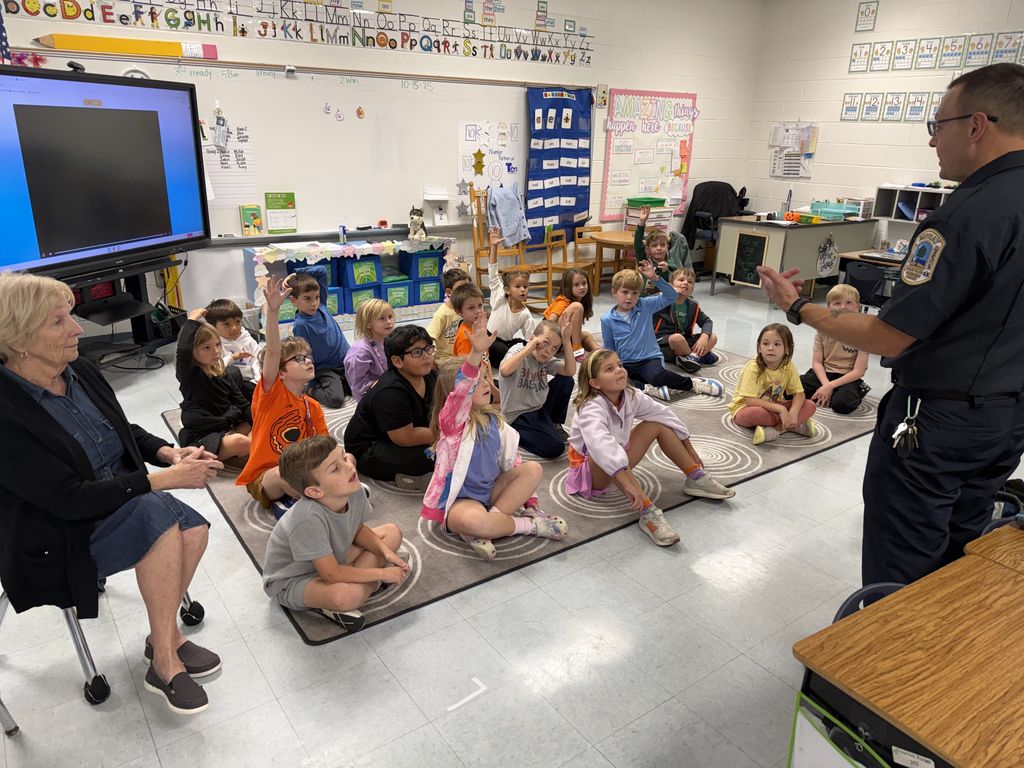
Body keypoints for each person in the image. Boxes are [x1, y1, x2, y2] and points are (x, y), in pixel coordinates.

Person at [755, 63, 1024, 586]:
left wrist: (798, 307)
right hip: (1007, 419)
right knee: (964, 542)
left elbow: (889, 334)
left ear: (976, 126)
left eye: (937, 126)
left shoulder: (963, 215)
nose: (932, 143)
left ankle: (888, 664)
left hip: (938, 420)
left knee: (903, 553)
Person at [0, 272, 224, 716]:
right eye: (59, 321)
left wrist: (168, 452)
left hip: (121, 501)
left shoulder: (78, 370)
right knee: (159, 521)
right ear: (18, 339)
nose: (78, 329)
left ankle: (165, 638)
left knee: (194, 528)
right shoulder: (6, 412)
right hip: (57, 534)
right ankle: (164, 659)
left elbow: (122, 430)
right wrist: (160, 481)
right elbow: (66, 499)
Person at [421, 316, 567, 561]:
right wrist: (476, 353)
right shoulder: (454, 424)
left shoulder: (496, 422)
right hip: (462, 501)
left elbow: (513, 462)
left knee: (533, 469)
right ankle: (523, 526)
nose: (487, 384)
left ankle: (491, 524)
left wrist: (530, 502)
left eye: (486, 379)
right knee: (474, 520)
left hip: (491, 493)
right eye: (478, 384)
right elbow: (462, 390)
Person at [566, 349, 735, 546]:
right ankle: (647, 513)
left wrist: (689, 449)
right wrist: (628, 484)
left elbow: (664, 414)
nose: (619, 370)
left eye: (620, 365)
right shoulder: (590, 407)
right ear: (595, 383)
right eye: (609, 369)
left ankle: (695, 477)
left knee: (657, 424)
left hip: (617, 461)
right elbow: (601, 447)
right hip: (589, 473)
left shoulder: (630, 395)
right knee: (605, 452)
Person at [262, 435, 408, 632]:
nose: (348, 467)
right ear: (314, 492)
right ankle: (366, 586)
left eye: (344, 458)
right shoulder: (306, 519)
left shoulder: (352, 488)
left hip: (332, 557)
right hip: (294, 579)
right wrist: (382, 572)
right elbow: (331, 574)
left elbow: (356, 529)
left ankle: (364, 580)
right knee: (345, 596)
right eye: (335, 468)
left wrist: (385, 552)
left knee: (392, 532)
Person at [236, 276, 328, 518]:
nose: (307, 361)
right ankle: (306, 502)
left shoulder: (313, 406)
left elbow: (324, 446)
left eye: (308, 357)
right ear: (281, 372)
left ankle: (304, 501)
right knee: (283, 475)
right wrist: (273, 312)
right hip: (267, 475)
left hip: (302, 470)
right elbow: (274, 351)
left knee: (344, 458)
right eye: (299, 359)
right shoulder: (271, 393)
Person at [601, 262, 723, 401]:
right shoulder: (607, 320)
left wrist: (654, 278)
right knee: (612, 380)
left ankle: (693, 384)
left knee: (657, 376)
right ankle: (649, 389)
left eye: (634, 293)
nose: (629, 297)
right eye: (625, 292)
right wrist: (612, 367)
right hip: (625, 362)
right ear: (614, 292)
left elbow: (671, 296)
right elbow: (609, 348)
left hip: (648, 359)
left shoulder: (645, 305)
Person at [343, 325, 437, 489]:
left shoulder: (430, 375)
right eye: (417, 352)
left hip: (400, 431)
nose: (427, 356)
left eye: (429, 349)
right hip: (369, 446)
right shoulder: (390, 392)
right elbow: (405, 438)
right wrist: (446, 435)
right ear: (397, 361)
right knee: (433, 456)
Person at [174, 308, 252, 462]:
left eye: (217, 345)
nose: (216, 351)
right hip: (205, 431)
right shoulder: (190, 375)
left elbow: (241, 401)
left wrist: (257, 419)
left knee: (258, 418)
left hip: (227, 424)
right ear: (193, 352)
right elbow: (183, 350)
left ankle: (243, 445)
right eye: (207, 348)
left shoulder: (222, 371)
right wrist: (191, 321)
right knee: (240, 442)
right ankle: (236, 447)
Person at [498, 318, 576, 459]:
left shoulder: (546, 360)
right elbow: (504, 370)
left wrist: (566, 340)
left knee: (566, 380)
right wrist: (530, 347)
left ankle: (554, 423)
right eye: (545, 343)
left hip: (538, 408)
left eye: (554, 348)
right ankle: (512, 433)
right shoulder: (518, 350)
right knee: (555, 448)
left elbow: (570, 370)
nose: (548, 351)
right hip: (517, 416)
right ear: (533, 339)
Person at [728, 324, 817, 445]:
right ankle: (792, 425)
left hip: (773, 409)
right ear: (759, 347)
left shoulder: (788, 366)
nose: (770, 348)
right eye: (765, 344)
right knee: (757, 413)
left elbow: (799, 394)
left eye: (777, 344)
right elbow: (750, 401)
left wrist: (794, 412)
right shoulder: (753, 367)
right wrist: (781, 409)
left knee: (810, 405)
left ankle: (776, 430)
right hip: (744, 409)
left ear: (788, 349)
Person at [285, 267, 351, 409]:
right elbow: (305, 355)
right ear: (294, 300)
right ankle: (312, 391)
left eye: (316, 297)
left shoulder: (322, 306)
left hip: (347, 360)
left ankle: (343, 384)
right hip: (327, 369)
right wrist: (312, 384)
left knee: (364, 388)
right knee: (336, 400)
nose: (314, 303)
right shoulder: (301, 325)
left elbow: (321, 271)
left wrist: (296, 274)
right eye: (307, 299)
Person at [799, 284, 870, 414]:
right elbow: (816, 363)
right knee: (791, 391)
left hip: (848, 377)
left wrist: (829, 386)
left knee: (843, 404)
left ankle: (856, 390)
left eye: (848, 302)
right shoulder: (822, 329)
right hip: (824, 374)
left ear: (857, 307)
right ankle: (827, 393)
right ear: (829, 308)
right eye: (837, 303)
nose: (843, 307)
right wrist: (826, 384)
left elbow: (858, 371)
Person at [485, 225, 538, 368]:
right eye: (518, 287)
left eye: (525, 287)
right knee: (501, 350)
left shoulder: (526, 314)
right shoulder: (499, 298)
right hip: (488, 338)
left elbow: (529, 338)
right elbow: (492, 272)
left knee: (519, 345)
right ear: (507, 290)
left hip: (505, 342)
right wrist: (494, 247)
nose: (523, 290)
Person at [653, 267, 720, 374]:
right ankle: (699, 356)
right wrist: (669, 292)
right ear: (670, 285)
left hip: (685, 341)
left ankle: (690, 358)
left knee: (712, 337)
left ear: (692, 289)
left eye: (690, 282)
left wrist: (704, 336)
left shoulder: (693, 305)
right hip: (662, 344)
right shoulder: (661, 300)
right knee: (677, 338)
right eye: (681, 280)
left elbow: (707, 321)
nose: (685, 283)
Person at [206, 298, 261, 400]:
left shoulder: (247, 338)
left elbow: (257, 357)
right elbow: (214, 369)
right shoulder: (214, 344)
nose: (234, 328)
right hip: (230, 387)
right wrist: (232, 357)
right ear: (213, 327)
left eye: (237, 322)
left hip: (252, 381)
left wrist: (258, 379)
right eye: (227, 324)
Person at [344, 298, 395, 401]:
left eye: (390, 317)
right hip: (374, 398)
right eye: (382, 318)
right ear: (368, 323)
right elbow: (359, 388)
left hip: (389, 387)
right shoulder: (360, 352)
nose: (389, 321)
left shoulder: (389, 341)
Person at [544, 268, 600, 360]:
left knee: (586, 335)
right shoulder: (563, 301)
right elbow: (549, 322)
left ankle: (600, 353)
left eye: (584, 283)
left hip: (564, 340)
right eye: (576, 285)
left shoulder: (582, 301)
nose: (582, 287)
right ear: (568, 287)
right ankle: (577, 350)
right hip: (551, 338)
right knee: (577, 306)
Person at [633, 204, 691, 282]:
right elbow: (637, 245)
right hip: (649, 294)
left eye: (663, 245)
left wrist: (666, 271)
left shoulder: (673, 263)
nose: (659, 248)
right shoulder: (645, 262)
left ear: (667, 247)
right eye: (654, 245)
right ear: (647, 248)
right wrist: (642, 223)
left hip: (667, 293)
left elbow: (677, 284)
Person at [426, 267, 471, 365]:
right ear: (449, 292)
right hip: (447, 360)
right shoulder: (442, 314)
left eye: (468, 287)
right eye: (461, 289)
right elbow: (429, 338)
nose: (466, 292)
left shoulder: (469, 309)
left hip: (465, 355)